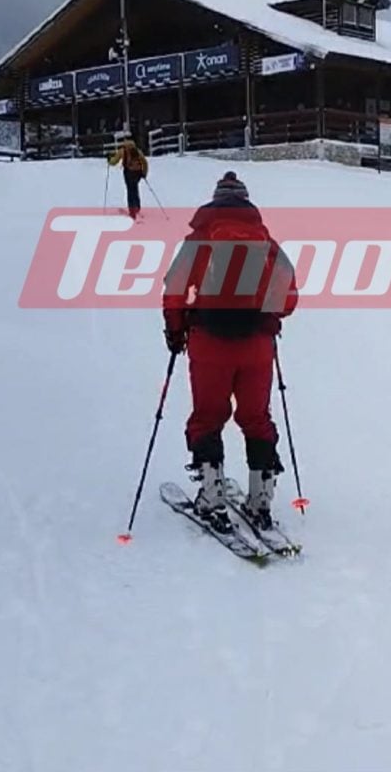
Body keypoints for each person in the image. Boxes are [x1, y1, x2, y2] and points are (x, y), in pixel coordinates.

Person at [162, 171, 298, 534]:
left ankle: (211, 496)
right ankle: (261, 502)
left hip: (209, 341)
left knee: (208, 416)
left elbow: (175, 288)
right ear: (246, 202)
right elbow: (288, 294)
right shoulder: (266, 242)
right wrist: (267, 318)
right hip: (256, 345)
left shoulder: (199, 239)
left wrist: (175, 332)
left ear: (215, 201)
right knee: (256, 418)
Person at [107, 132, 148, 219]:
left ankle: (132, 210)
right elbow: (144, 162)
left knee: (130, 191)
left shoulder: (123, 150)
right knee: (135, 188)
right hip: (137, 173)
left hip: (128, 173)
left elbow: (114, 162)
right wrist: (144, 173)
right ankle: (137, 206)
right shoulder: (137, 150)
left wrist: (109, 160)